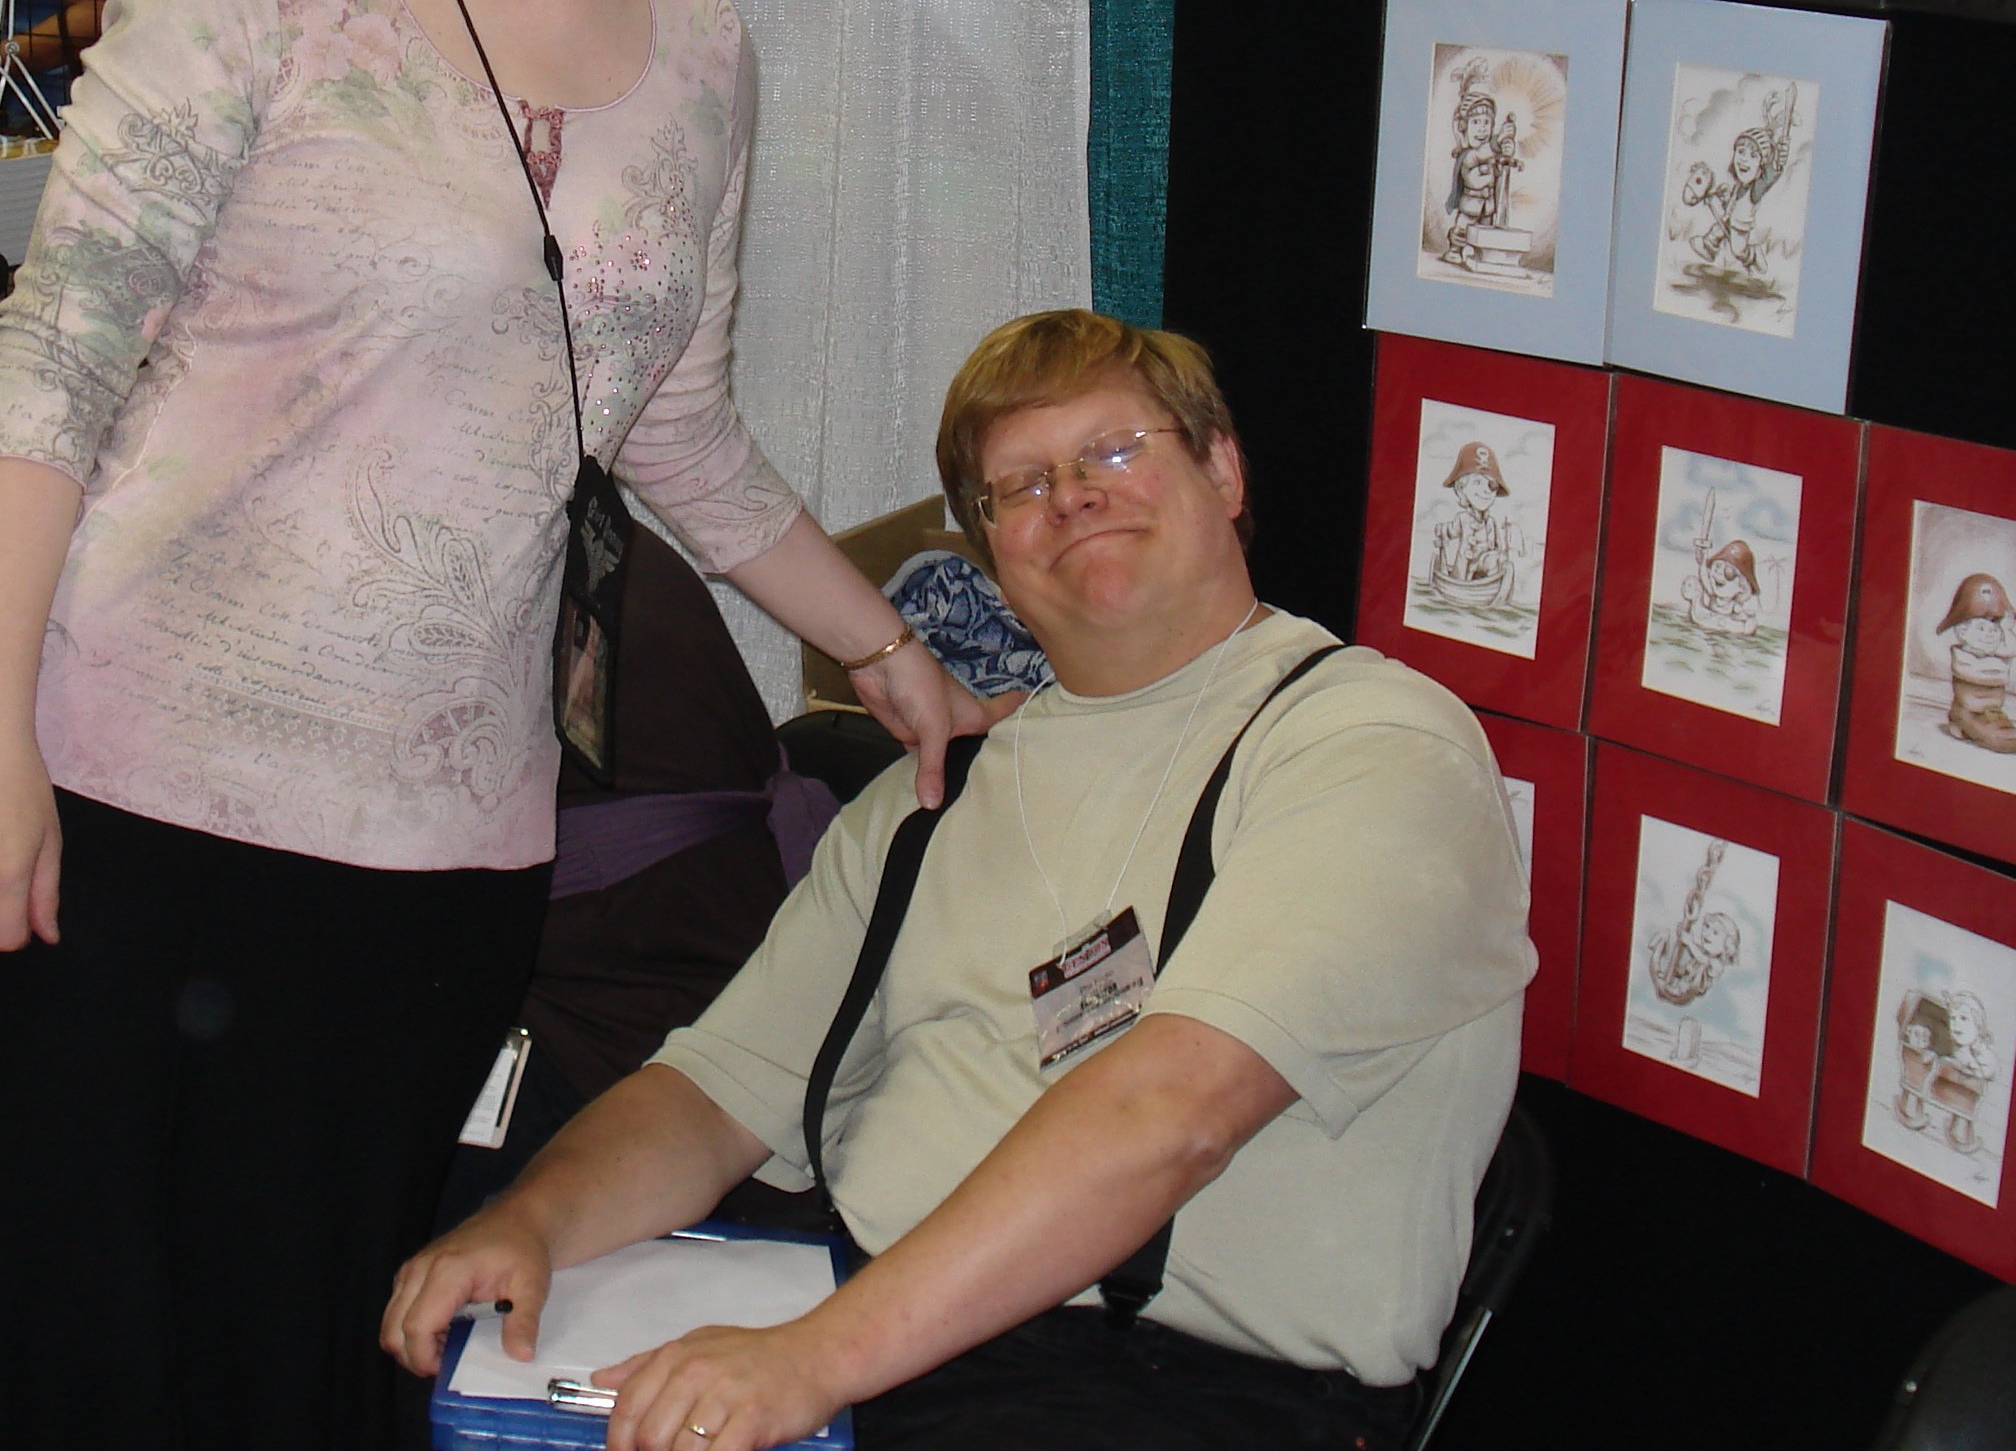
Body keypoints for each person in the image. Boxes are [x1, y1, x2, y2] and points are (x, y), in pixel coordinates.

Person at [0, 0, 997, 1450]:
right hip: (129, 821)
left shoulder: (705, 47)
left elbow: (662, 416)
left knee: (303, 1376)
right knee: (70, 1375)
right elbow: (61, 338)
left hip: (442, 866)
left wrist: (873, 646)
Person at [387, 308, 1533, 1451]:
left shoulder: (1369, 744)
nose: (1072, 495)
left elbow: (1173, 1112)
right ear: (989, 549)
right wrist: (531, 1224)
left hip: (1169, 1385)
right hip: (875, 1332)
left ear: (1223, 470)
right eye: (1019, 485)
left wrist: (811, 1360)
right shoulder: (926, 803)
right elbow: (710, 1092)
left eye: (1115, 451)